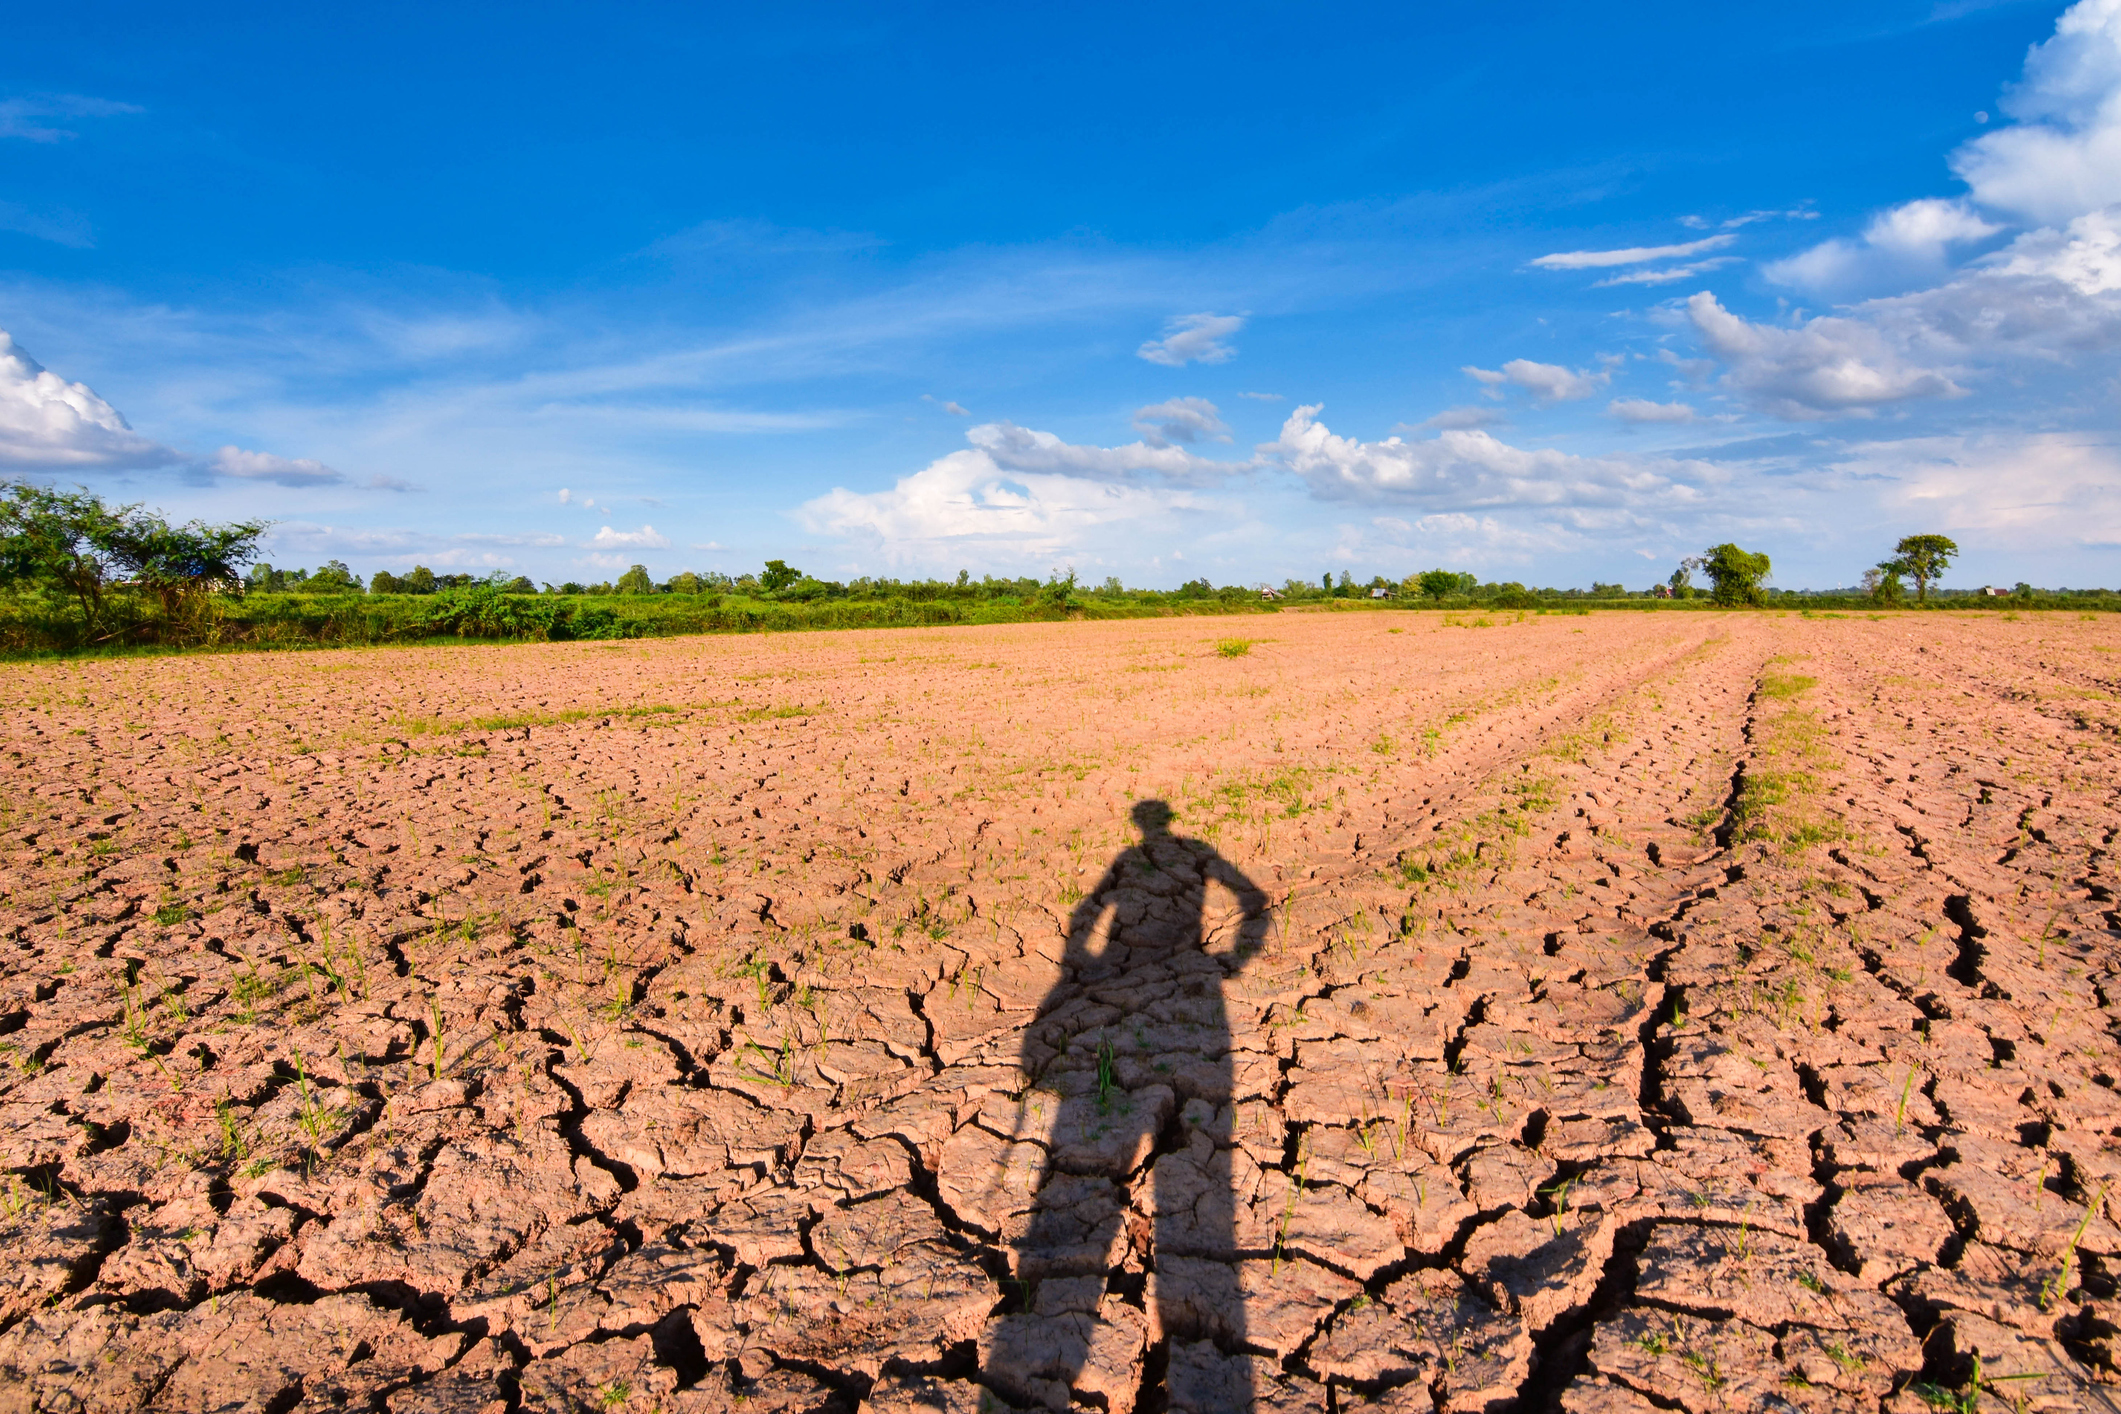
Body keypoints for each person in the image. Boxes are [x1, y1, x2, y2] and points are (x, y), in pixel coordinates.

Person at [988, 798, 1272, 1408]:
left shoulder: (1156, 855)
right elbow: (1250, 902)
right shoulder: (1188, 853)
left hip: (1179, 991)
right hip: (1192, 993)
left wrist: (1078, 962)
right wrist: (1234, 960)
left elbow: (1087, 915)